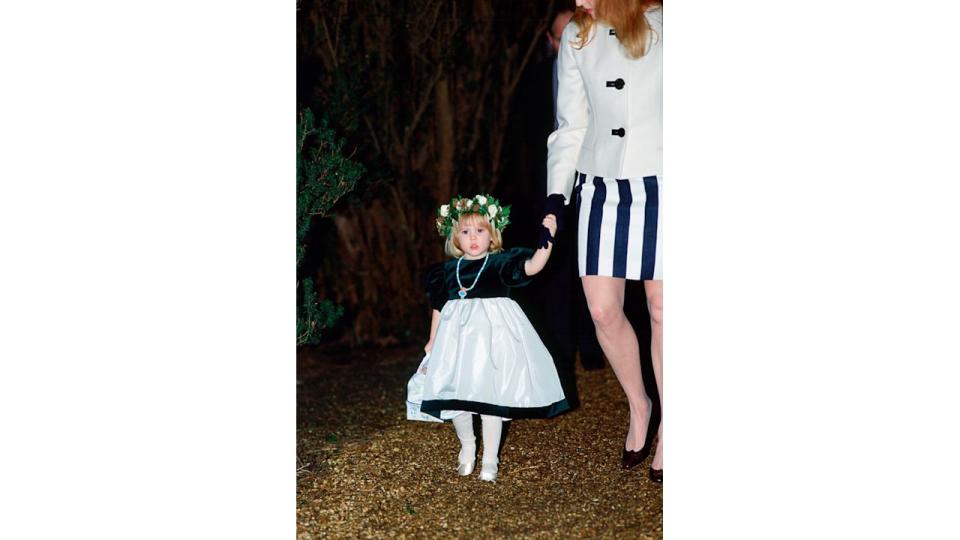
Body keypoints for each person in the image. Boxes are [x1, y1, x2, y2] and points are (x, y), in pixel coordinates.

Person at [543, 0, 664, 483]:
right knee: (603, 310)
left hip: (664, 181)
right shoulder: (578, 36)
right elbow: (570, 125)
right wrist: (556, 198)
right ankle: (641, 404)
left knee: (662, 309)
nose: (576, 1)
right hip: (601, 186)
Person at [406, 194, 568, 483]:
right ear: (454, 236)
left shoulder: (500, 263)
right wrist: (432, 342)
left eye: (480, 230)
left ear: (492, 234)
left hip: (493, 341)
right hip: (457, 344)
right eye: (465, 232)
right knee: (456, 399)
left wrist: (549, 239)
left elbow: (532, 266)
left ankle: (490, 459)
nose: (473, 238)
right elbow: (439, 307)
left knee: (490, 399)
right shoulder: (444, 272)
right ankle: (467, 446)